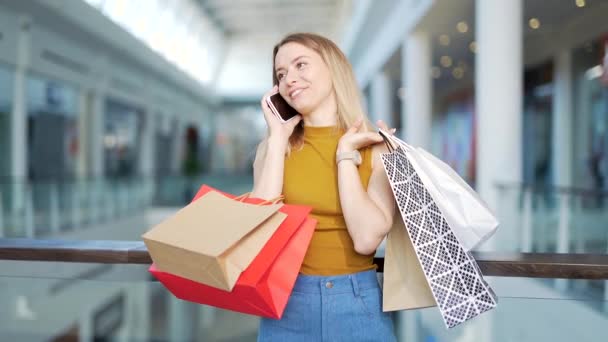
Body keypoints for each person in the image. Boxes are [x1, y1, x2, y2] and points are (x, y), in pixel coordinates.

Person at [251, 33, 398, 341]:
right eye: (280, 74)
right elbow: (258, 232)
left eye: (300, 65)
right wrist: (277, 138)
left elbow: (366, 240)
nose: (289, 79)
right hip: (286, 303)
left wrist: (346, 155)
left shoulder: (377, 147)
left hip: (357, 302)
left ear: (333, 68)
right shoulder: (273, 147)